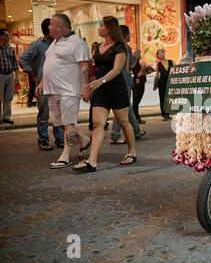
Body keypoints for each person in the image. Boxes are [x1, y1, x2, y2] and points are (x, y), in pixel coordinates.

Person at [73, 16, 137, 173]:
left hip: (116, 89)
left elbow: (117, 70)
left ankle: (132, 152)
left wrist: (99, 82)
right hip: (100, 91)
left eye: (101, 25)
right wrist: (88, 86)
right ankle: (92, 161)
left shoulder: (119, 47)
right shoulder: (97, 47)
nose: (98, 27)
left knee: (123, 122)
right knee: (97, 124)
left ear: (109, 28)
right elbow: (91, 67)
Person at [35, 14, 92, 168]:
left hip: (69, 90)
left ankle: (66, 155)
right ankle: (84, 139)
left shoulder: (76, 43)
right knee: (58, 122)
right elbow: (50, 64)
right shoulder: (55, 42)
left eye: (52, 24)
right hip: (53, 90)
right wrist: (41, 83)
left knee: (68, 124)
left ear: (60, 27)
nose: (48, 27)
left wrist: (85, 87)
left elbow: (85, 67)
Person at [19, 18, 64, 150]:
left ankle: (60, 139)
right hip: (43, 84)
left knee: (58, 113)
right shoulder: (37, 45)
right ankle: (43, 140)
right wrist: (32, 75)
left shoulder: (58, 44)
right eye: (54, 26)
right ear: (49, 29)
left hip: (57, 83)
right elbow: (23, 59)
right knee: (44, 114)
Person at [110, 25, 145, 144]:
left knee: (125, 107)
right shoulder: (124, 47)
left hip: (118, 80)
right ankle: (115, 134)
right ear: (124, 34)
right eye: (128, 33)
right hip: (124, 80)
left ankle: (136, 131)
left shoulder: (113, 46)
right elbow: (129, 65)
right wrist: (135, 57)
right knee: (121, 107)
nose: (130, 36)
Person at [0, 28, 19, 125]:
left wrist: (17, 77)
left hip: (10, 74)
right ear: (1, 36)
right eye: (6, 35)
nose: (8, 37)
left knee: (9, 97)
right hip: (0, 75)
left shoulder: (10, 48)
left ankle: (6, 117)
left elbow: (15, 63)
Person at [132, 49, 152, 124]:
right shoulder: (139, 61)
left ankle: (136, 117)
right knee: (136, 101)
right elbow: (143, 66)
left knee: (135, 101)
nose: (133, 54)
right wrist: (141, 72)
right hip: (138, 82)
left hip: (136, 81)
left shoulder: (134, 62)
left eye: (134, 53)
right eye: (133, 53)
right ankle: (136, 118)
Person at [154, 49, 173, 121]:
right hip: (161, 82)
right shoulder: (158, 64)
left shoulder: (171, 61)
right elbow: (156, 75)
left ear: (164, 53)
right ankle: (163, 114)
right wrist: (155, 85)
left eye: (162, 52)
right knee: (162, 98)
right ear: (158, 56)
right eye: (159, 53)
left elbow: (174, 72)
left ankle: (167, 114)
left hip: (169, 82)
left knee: (168, 99)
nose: (161, 54)